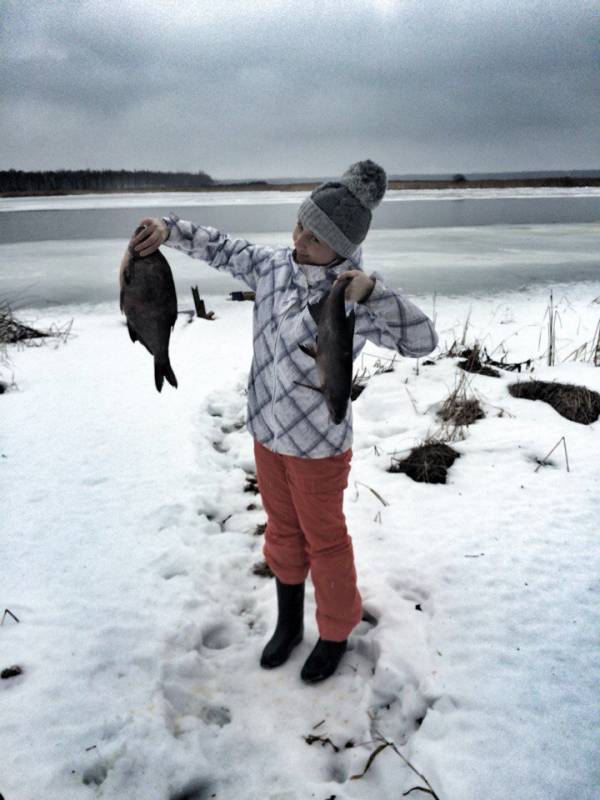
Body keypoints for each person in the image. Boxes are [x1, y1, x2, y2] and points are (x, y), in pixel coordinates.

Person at [133, 160, 438, 683]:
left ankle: (337, 630)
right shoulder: (273, 267)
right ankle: (290, 621)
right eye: (300, 224)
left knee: (326, 541)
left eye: (314, 237)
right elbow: (223, 248)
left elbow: (423, 341)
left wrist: (374, 294)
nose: (299, 239)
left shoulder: (352, 296)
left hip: (319, 448)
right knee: (282, 532)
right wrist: (170, 229)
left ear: (340, 248)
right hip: (268, 436)